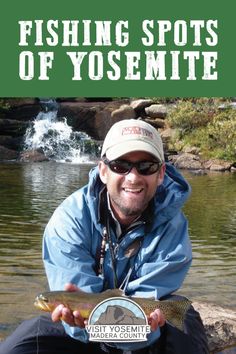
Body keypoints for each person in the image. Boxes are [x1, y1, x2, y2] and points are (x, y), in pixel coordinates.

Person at [0, 119, 209, 354]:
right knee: (17, 347)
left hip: (145, 329)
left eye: (146, 166)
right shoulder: (69, 220)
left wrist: (140, 330)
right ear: (102, 170)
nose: (133, 177)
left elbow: (144, 309)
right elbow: (82, 320)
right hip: (80, 329)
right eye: (120, 165)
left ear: (160, 173)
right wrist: (84, 326)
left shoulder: (173, 226)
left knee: (187, 324)